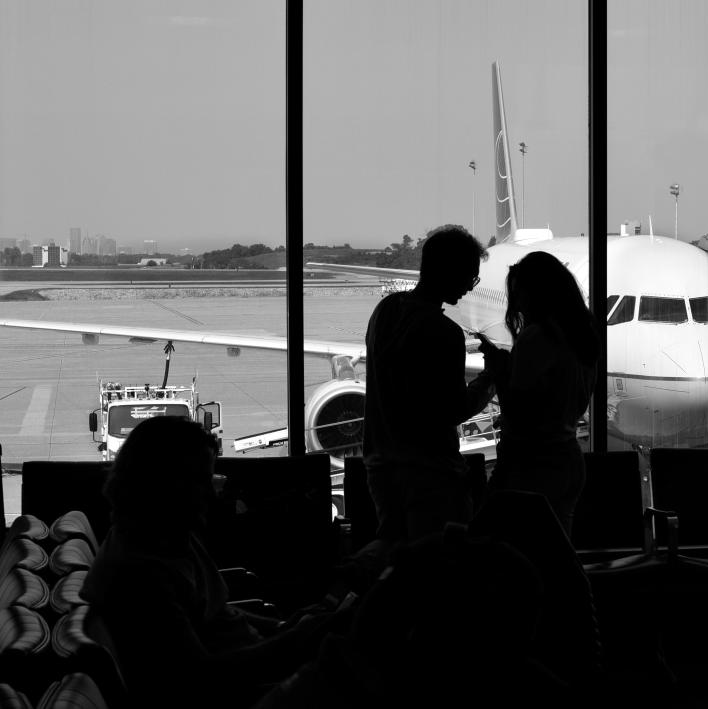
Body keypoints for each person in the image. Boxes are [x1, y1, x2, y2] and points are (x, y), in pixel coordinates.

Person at [80, 416, 342, 709]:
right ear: (165, 484)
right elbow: (202, 677)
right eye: (201, 481)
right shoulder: (141, 577)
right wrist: (293, 642)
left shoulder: (162, 536)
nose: (210, 494)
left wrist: (281, 627)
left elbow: (212, 612)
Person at [362, 224, 494, 542]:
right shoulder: (443, 331)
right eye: (469, 276)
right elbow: (453, 410)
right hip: (430, 474)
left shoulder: (385, 311)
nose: (470, 286)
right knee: (436, 571)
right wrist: (492, 378)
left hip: (381, 468)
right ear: (448, 271)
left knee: (395, 562)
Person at [478, 250, 600, 537]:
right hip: (569, 457)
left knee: (509, 553)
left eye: (520, 293)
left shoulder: (537, 337)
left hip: (533, 463)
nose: (516, 303)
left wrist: (499, 372)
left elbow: (519, 414)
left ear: (537, 294)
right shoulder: (583, 335)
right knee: (555, 555)